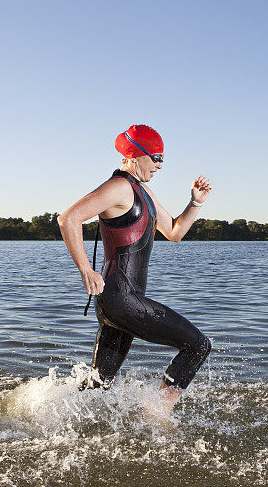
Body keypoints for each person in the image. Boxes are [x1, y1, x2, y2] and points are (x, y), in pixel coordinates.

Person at [58, 124, 213, 414]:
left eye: (162, 159)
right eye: (156, 157)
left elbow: (175, 232)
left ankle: (54, 418)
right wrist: (85, 269)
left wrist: (195, 202)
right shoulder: (118, 187)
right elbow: (68, 218)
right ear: (135, 154)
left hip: (119, 302)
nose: (159, 165)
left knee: (97, 388)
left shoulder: (143, 192)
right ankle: (156, 415)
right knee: (198, 346)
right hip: (121, 299)